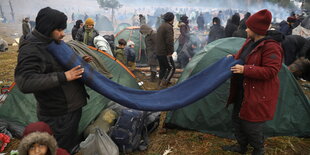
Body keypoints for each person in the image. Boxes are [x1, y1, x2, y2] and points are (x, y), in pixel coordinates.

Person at [15, 7, 90, 152]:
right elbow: (25, 82)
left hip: (70, 108)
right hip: (58, 113)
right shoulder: (31, 49)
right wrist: (64, 76)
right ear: (48, 27)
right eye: (59, 30)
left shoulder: (49, 41)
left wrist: (78, 61)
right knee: (60, 148)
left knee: (69, 145)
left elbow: (54, 64)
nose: (63, 34)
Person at [223, 9, 283, 155]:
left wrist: (245, 69)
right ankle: (241, 146)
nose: (246, 29)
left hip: (257, 93)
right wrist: (233, 57)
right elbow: (243, 57)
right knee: (237, 119)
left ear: (256, 29)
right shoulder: (250, 41)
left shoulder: (271, 47)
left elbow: (271, 71)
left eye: (249, 27)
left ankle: (258, 150)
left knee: (251, 126)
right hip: (242, 90)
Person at [156, 12, 175, 88]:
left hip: (159, 52)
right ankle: (164, 84)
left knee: (163, 68)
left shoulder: (161, 26)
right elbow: (169, 41)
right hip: (165, 52)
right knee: (172, 68)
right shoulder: (168, 27)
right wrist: (170, 52)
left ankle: (159, 83)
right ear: (172, 19)